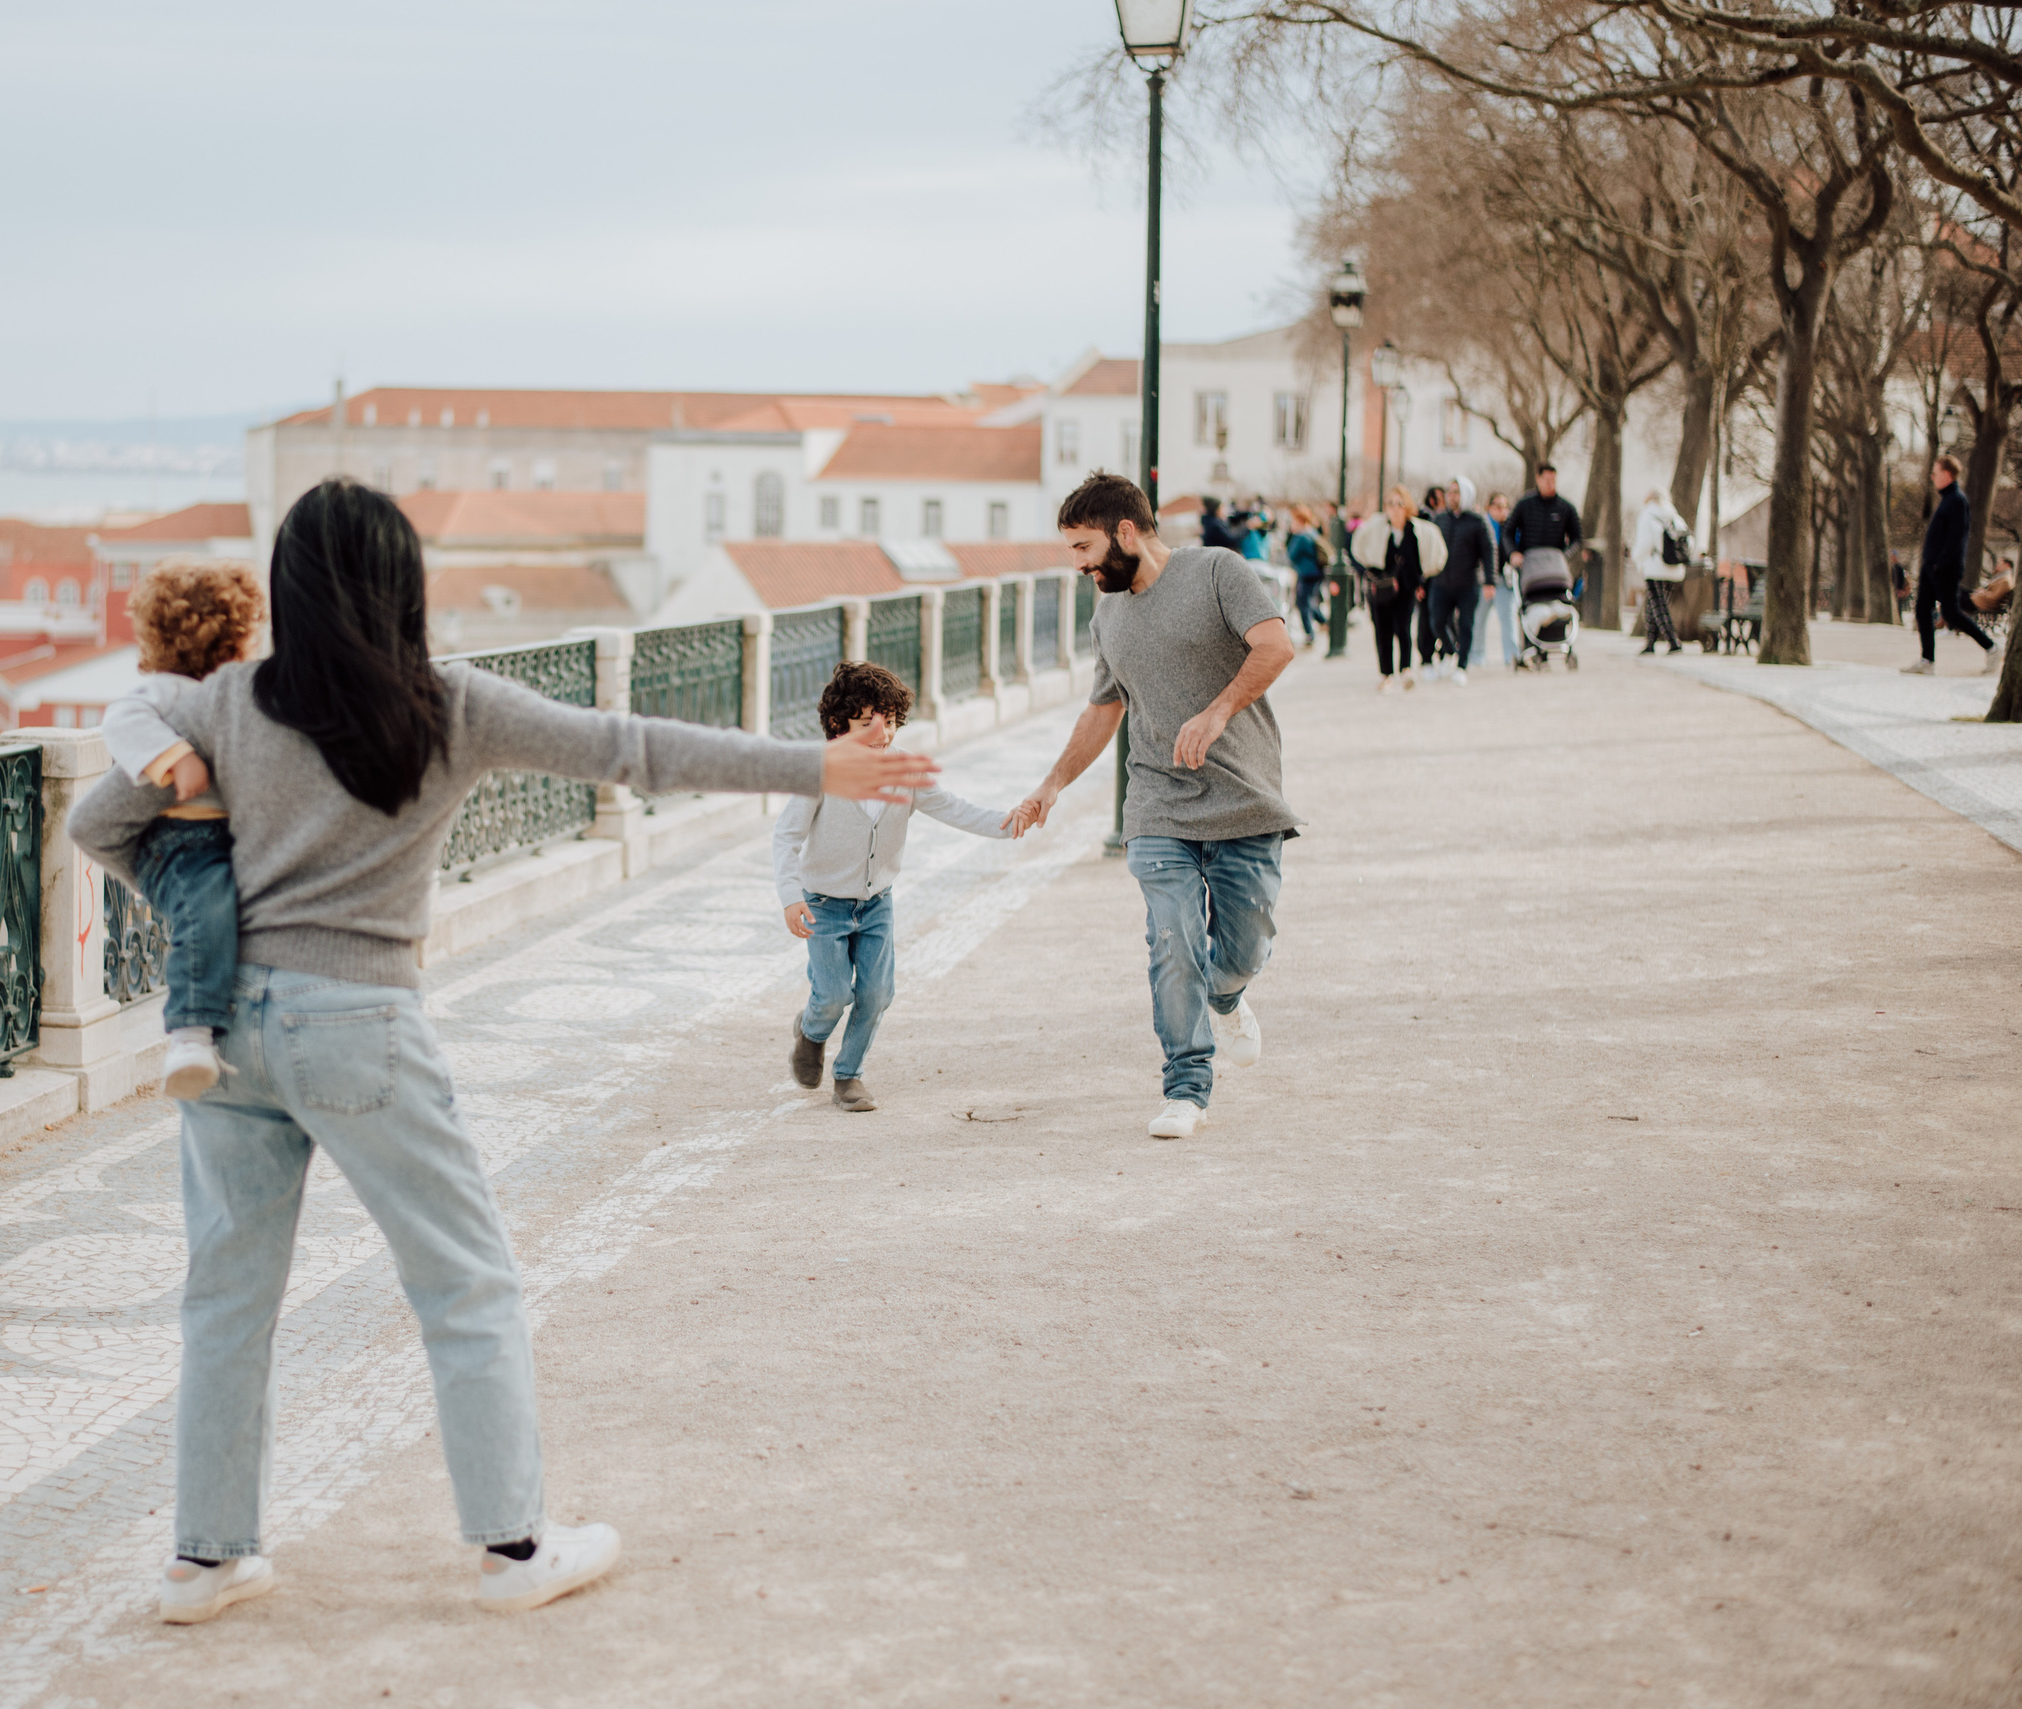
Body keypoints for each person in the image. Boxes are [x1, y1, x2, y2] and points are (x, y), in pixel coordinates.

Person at [67, 478, 939, 1626]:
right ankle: (514, 1547)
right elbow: (630, 748)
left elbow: (95, 824)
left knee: (226, 1297)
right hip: (357, 1018)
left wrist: (204, 912)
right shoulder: (448, 704)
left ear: (286, 588)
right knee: (463, 1280)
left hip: (224, 1024)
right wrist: (813, 767)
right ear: (404, 585)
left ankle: (203, 1560)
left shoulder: (220, 703)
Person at [1008, 472, 1298, 1141]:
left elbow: (1276, 646)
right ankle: (1185, 1087)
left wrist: (1217, 712)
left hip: (1245, 797)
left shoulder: (1218, 572)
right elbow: (1103, 709)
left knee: (1245, 948)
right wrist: (1052, 784)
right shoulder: (1107, 614)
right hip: (1158, 804)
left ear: (1126, 532)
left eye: (1084, 547)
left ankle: (1227, 994)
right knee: (1172, 940)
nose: (1078, 564)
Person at [777, 662, 1017, 1112]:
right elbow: (786, 837)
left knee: (877, 994)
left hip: (876, 905)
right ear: (838, 726)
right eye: (867, 723)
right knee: (833, 995)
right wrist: (791, 896)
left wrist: (1008, 823)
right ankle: (811, 1031)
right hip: (823, 904)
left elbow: (953, 807)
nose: (882, 733)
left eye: (888, 720)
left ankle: (849, 1075)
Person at [98, 562, 268, 1100]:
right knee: (204, 911)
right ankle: (190, 1034)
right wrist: (176, 758)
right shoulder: (165, 692)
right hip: (183, 838)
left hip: (230, 836)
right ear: (231, 641)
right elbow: (121, 721)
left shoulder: (239, 693)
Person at [1906, 454, 1995, 674]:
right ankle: (1927, 660)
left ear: (1947, 474)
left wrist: (1941, 563)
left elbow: (1957, 537)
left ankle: (1992, 647)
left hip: (1944, 568)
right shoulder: (1947, 499)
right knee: (1922, 610)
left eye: (1935, 473)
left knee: (1951, 613)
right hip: (1932, 566)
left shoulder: (1957, 500)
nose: (1932, 477)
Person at [1351, 485, 1444, 691]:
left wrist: (1420, 582)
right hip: (1381, 586)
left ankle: (1406, 669)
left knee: (1403, 627)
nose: (1395, 508)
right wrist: (1370, 573)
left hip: (1406, 587)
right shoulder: (1377, 528)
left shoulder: (1415, 530)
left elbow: (1420, 560)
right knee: (1382, 629)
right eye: (1391, 503)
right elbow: (1360, 549)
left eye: (1399, 503)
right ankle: (1386, 674)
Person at [1428, 479, 1496, 684]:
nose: (1451, 496)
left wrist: (1490, 581)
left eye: (1456, 492)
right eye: (1450, 492)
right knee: (1437, 621)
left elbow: (1489, 551)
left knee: (1466, 625)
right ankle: (1450, 650)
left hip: (1468, 583)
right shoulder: (1440, 519)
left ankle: (1461, 666)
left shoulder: (1477, 521)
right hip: (1441, 581)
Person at [1505, 463, 1583, 613]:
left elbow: (1577, 538)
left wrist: (1563, 556)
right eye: (1547, 480)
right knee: (1529, 607)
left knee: (1557, 606)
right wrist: (1513, 553)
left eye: (1553, 480)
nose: (1550, 484)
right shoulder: (1524, 505)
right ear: (1538, 479)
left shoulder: (1566, 507)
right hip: (1529, 566)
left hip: (1555, 568)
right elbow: (1508, 532)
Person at [1631, 487, 1690, 655]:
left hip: (1655, 568)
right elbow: (1688, 540)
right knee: (1653, 604)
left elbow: (1644, 544)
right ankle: (1650, 643)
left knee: (1658, 605)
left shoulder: (1647, 516)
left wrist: (1637, 558)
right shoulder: (1674, 516)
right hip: (1674, 568)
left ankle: (1673, 641)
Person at [1471, 491, 1521, 671]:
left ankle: (1512, 656)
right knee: (1478, 618)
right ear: (1489, 507)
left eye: (1505, 507)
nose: (1502, 511)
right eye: (1498, 506)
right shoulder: (1481, 524)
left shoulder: (1510, 528)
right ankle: (1476, 656)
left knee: (1508, 617)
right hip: (1483, 580)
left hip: (1503, 579)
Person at [1414, 485, 1448, 674]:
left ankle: (1443, 652)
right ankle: (1427, 655)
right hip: (1427, 576)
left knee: (1441, 617)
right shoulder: (1424, 519)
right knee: (1427, 617)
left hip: (1442, 576)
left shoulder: (1445, 518)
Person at [1285, 504, 1329, 646]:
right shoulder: (1312, 532)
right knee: (1308, 600)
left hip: (1307, 573)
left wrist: (1291, 534)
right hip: (1316, 572)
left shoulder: (1301, 536)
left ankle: (1310, 633)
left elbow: (1291, 554)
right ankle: (1323, 622)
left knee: (1303, 603)